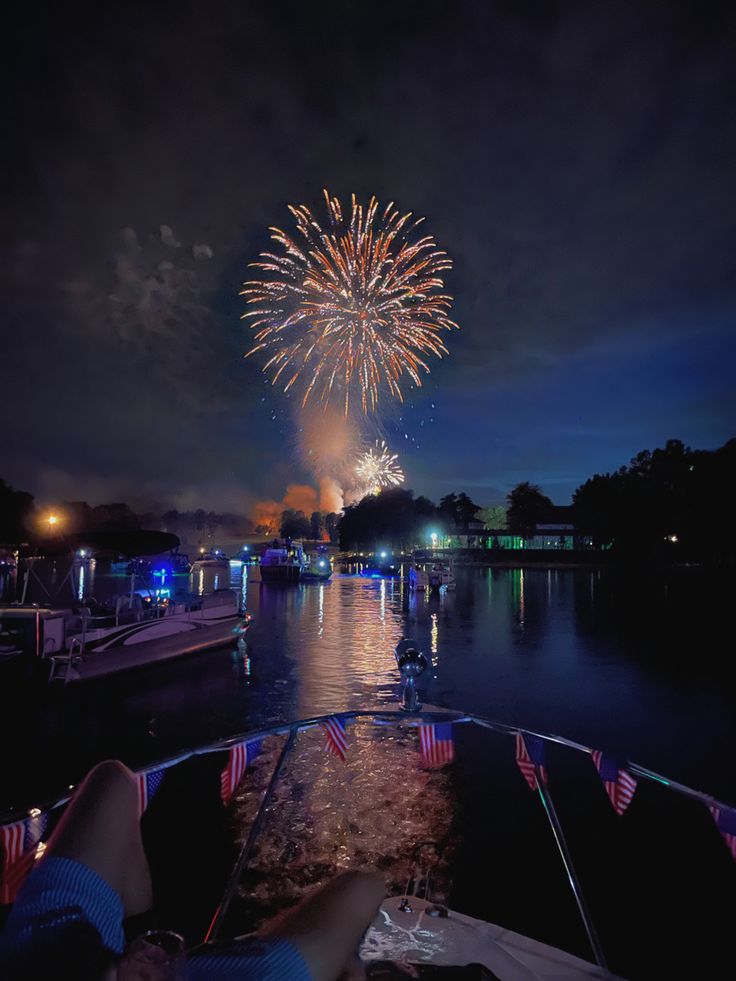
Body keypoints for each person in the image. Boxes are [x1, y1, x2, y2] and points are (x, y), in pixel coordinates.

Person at [0, 760, 385, 980]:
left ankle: (138, 921)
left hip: (62, 958)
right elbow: (365, 887)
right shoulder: (268, 975)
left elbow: (112, 782)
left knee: (112, 784)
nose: (142, 955)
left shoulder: (51, 949)